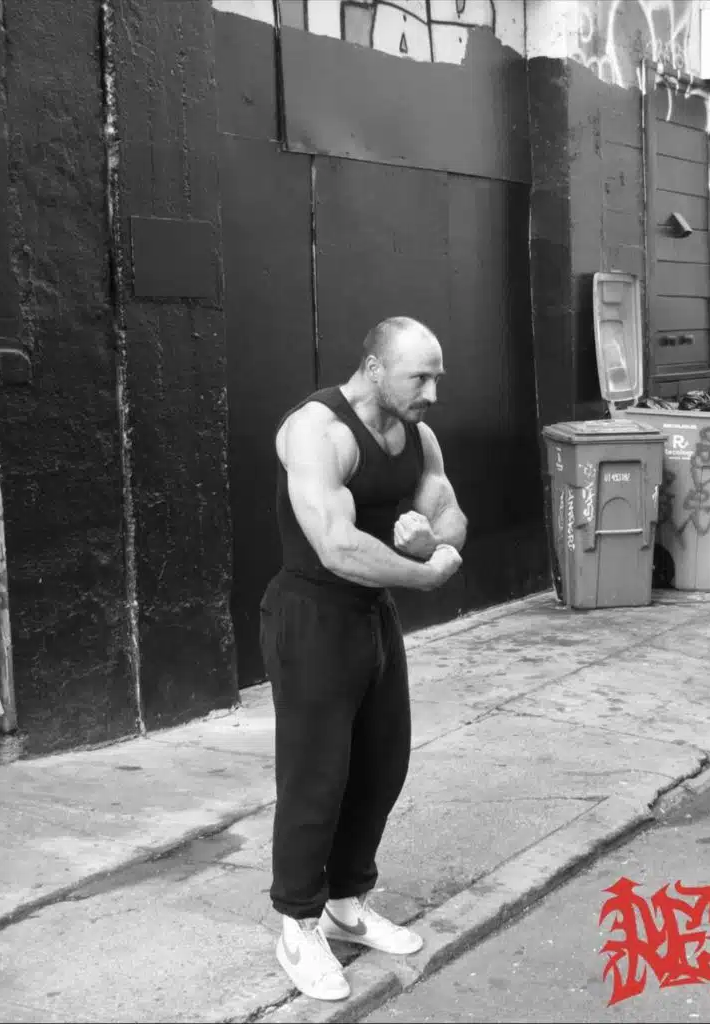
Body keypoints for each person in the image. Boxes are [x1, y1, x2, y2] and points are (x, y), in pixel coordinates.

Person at [259, 316, 468, 1001]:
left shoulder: (417, 435)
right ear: (375, 369)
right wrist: (426, 573)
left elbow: (449, 512)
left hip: (372, 615)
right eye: (419, 377)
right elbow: (337, 547)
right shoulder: (317, 431)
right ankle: (297, 923)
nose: (432, 392)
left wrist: (432, 542)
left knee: (381, 764)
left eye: (437, 377)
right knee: (316, 775)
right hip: (312, 615)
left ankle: (346, 903)